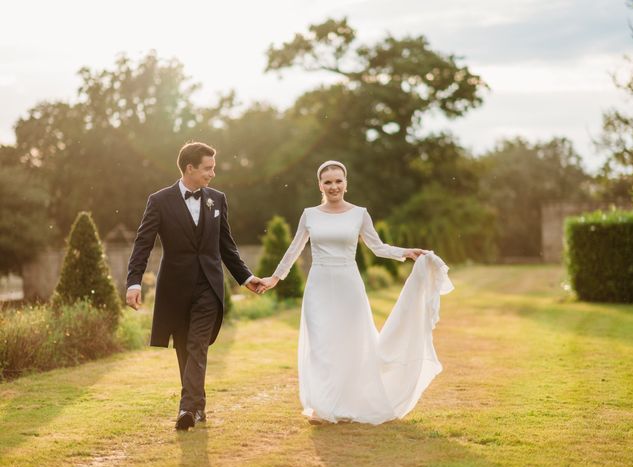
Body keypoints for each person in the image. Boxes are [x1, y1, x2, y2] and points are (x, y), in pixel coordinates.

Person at [259, 160, 454, 425]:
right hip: (318, 285)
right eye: (328, 182)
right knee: (320, 345)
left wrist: (404, 253)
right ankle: (321, 406)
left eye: (338, 181)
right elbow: (294, 250)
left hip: (348, 284)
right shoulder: (310, 215)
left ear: (346, 183)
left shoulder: (359, 214)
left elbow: (377, 247)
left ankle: (348, 403)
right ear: (320, 185)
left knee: (350, 344)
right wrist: (275, 277)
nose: (334, 186)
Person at [125, 141, 263, 430]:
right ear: (190, 168)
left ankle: (186, 408)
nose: (213, 173)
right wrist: (134, 282)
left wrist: (246, 277)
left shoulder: (217, 199)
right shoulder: (159, 201)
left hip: (209, 287)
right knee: (185, 349)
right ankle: (197, 406)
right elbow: (143, 243)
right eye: (208, 168)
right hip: (175, 288)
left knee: (197, 344)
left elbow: (227, 245)